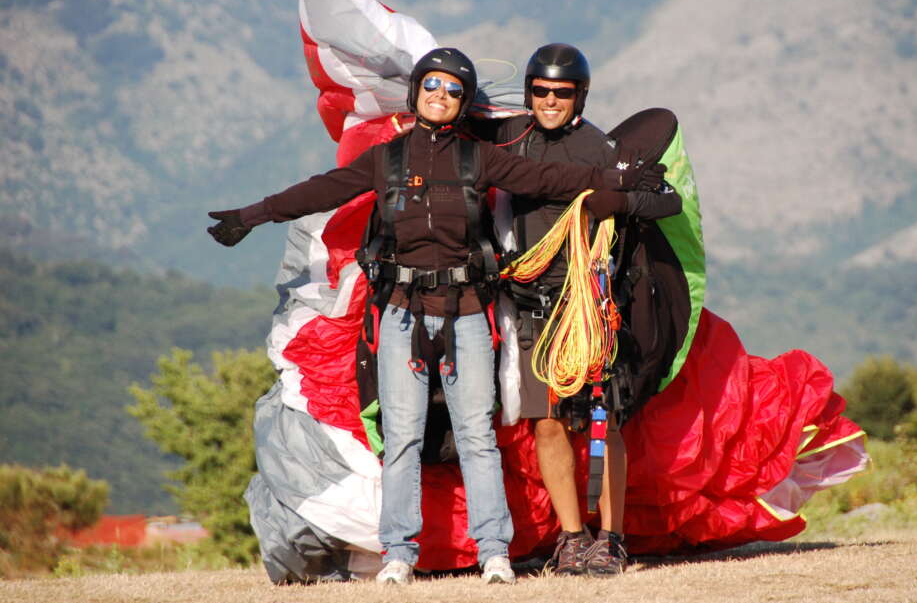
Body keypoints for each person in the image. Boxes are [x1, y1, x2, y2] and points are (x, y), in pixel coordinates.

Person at [207, 47, 662, 585]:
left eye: (452, 90)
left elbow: (553, 180)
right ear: (416, 93)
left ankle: (494, 551)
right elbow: (321, 190)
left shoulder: (480, 159)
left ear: (464, 101)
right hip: (401, 314)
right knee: (402, 435)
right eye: (432, 86)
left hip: (468, 313)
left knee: (475, 434)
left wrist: (625, 184)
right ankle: (398, 553)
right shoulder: (387, 161)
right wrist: (251, 215)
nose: (441, 97)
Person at [485, 43, 681, 577]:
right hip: (531, 304)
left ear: (580, 96)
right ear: (528, 93)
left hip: (591, 307)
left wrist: (621, 201)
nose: (550, 101)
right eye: (540, 91)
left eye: (562, 93)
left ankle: (612, 539)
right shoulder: (509, 141)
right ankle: (573, 538)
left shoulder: (602, 149)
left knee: (602, 424)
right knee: (546, 424)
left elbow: (669, 200)